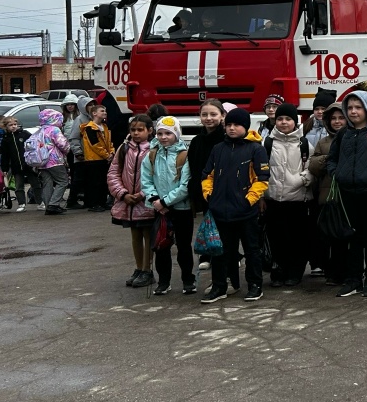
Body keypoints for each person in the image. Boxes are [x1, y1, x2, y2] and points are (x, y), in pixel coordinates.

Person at [320, 91, 367, 298]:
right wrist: (337, 173)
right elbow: (332, 159)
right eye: (350, 107)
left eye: (358, 107)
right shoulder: (343, 134)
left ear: (366, 109)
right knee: (352, 237)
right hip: (346, 194)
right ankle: (353, 279)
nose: (353, 111)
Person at [201, 108, 270, 303]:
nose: (231, 128)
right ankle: (220, 286)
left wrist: (248, 200)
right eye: (229, 125)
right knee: (221, 251)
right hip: (221, 210)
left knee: (251, 250)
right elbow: (207, 175)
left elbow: (262, 178)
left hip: (246, 211)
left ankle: (255, 285)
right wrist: (209, 196)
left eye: (236, 125)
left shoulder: (256, 148)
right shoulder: (218, 149)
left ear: (245, 127)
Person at [142, 115, 196, 295]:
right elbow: (146, 181)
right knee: (161, 247)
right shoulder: (151, 155)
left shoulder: (184, 156)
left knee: (184, 247)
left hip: (181, 209)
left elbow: (186, 185)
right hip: (160, 210)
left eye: (168, 133)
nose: (164, 137)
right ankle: (163, 282)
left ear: (176, 135)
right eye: (160, 133)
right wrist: (155, 200)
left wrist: (165, 201)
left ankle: (188, 280)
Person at [262, 103, 312, 287]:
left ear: (295, 121)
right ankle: (279, 271)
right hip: (273, 199)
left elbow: (312, 168)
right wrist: (262, 195)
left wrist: (301, 180)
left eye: (288, 119)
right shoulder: (267, 143)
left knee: (297, 238)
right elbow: (260, 170)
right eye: (280, 119)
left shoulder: (304, 144)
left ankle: (295, 272)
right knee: (276, 237)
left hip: (298, 200)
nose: (284, 122)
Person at [109, 115, 157, 289]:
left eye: (140, 130)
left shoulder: (154, 149)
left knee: (148, 235)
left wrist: (143, 194)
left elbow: (158, 176)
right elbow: (113, 173)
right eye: (133, 130)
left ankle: (147, 270)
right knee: (135, 236)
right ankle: (138, 268)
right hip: (128, 201)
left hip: (146, 201)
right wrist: (122, 194)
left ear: (150, 131)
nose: (136, 133)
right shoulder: (123, 149)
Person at [307, 102, 348, 286]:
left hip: (348, 196)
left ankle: (347, 271)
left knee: (346, 238)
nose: (337, 122)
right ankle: (331, 271)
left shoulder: (353, 138)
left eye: (341, 118)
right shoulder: (323, 142)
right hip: (327, 197)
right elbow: (313, 166)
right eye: (333, 118)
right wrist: (330, 157)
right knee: (329, 236)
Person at [23, 108, 72, 214]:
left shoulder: (39, 131)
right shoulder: (54, 130)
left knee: (47, 183)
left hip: (41, 162)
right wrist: (68, 149)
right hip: (54, 160)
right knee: (63, 181)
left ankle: (48, 205)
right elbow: (62, 144)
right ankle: (53, 204)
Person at [80, 102, 114, 212]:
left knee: (104, 182)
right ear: (94, 113)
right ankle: (94, 203)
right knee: (95, 183)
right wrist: (106, 155)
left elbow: (109, 141)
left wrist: (112, 152)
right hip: (94, 159)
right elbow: (95, 145)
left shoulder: (104, 126)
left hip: (104, 159)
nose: (105, 113)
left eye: (105, 111)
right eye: (102, 111)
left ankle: (102, 202)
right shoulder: (90, 128)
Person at [0, 116, 31, 212]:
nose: (13, 127)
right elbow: (5, 156)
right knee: (18, 186)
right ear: (5, 127)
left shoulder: (24, 134)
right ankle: (21, 203)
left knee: (35, 183)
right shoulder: (6, 139)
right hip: (16, 166)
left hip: (28, 164)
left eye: (15, 124)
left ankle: (40, 202)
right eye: (10, 125)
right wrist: (5, 169)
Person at [61, 98, 86, 209]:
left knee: (78, 172)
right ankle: (74, 197)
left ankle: (80, 193)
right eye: (68, 105)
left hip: (77, 147)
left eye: (72, 104)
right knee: (73, 171)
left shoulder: (79, 117)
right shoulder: (63, 118)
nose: (70, 106)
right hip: (68, 148)